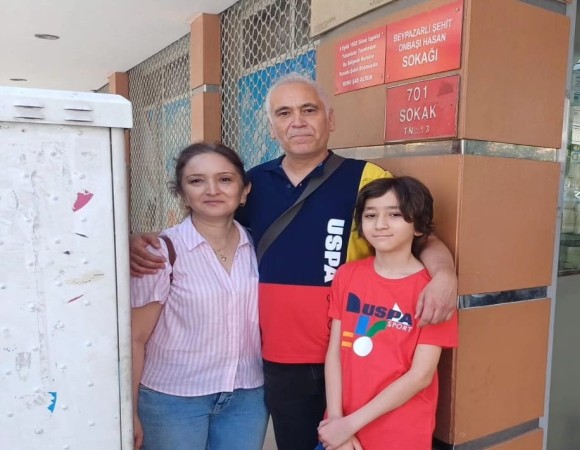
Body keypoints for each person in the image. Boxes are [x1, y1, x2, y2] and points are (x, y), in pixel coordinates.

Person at [130, 73, 457, 450]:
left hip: (354, 356)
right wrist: (136, 240)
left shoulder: (366, 177)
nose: (297, 121)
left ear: (330, 119)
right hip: (280, 362)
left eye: (309, 110)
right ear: (271, 127)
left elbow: (419, 235)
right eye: (284, 113)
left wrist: (445, 275)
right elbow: (208, 222)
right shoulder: (251, 184)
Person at [130, 142, 267, 450]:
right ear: (182, 193)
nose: (212, 190)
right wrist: (129, 410)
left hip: (246, 398)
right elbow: (135, 338)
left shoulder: (259, 247)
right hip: (173, 400)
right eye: (196, 181)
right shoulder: (160, 252)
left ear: (244, 191)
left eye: (225, 179)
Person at [318, 177, 458, 450]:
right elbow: (334, 352)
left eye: (394, 214)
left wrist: (349, 425)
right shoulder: (347, 275)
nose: (380, 224)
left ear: (419, 226)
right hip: (341, 428)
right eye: (371, 215)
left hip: (399, 433)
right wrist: (336, 421)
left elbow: (420, 376)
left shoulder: (434, 293)